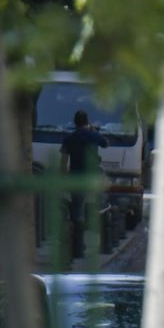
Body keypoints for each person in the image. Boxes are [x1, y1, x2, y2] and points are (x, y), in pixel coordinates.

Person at [61, 110, 108, 260]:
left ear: (75, 122)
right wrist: (93, 131)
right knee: (99, 201)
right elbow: (106, 143)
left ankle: (78, 249)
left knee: (77, 212)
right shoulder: (93, 135)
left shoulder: (69, 138)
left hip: (76, 178)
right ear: (87, 122)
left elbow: (63, 161)